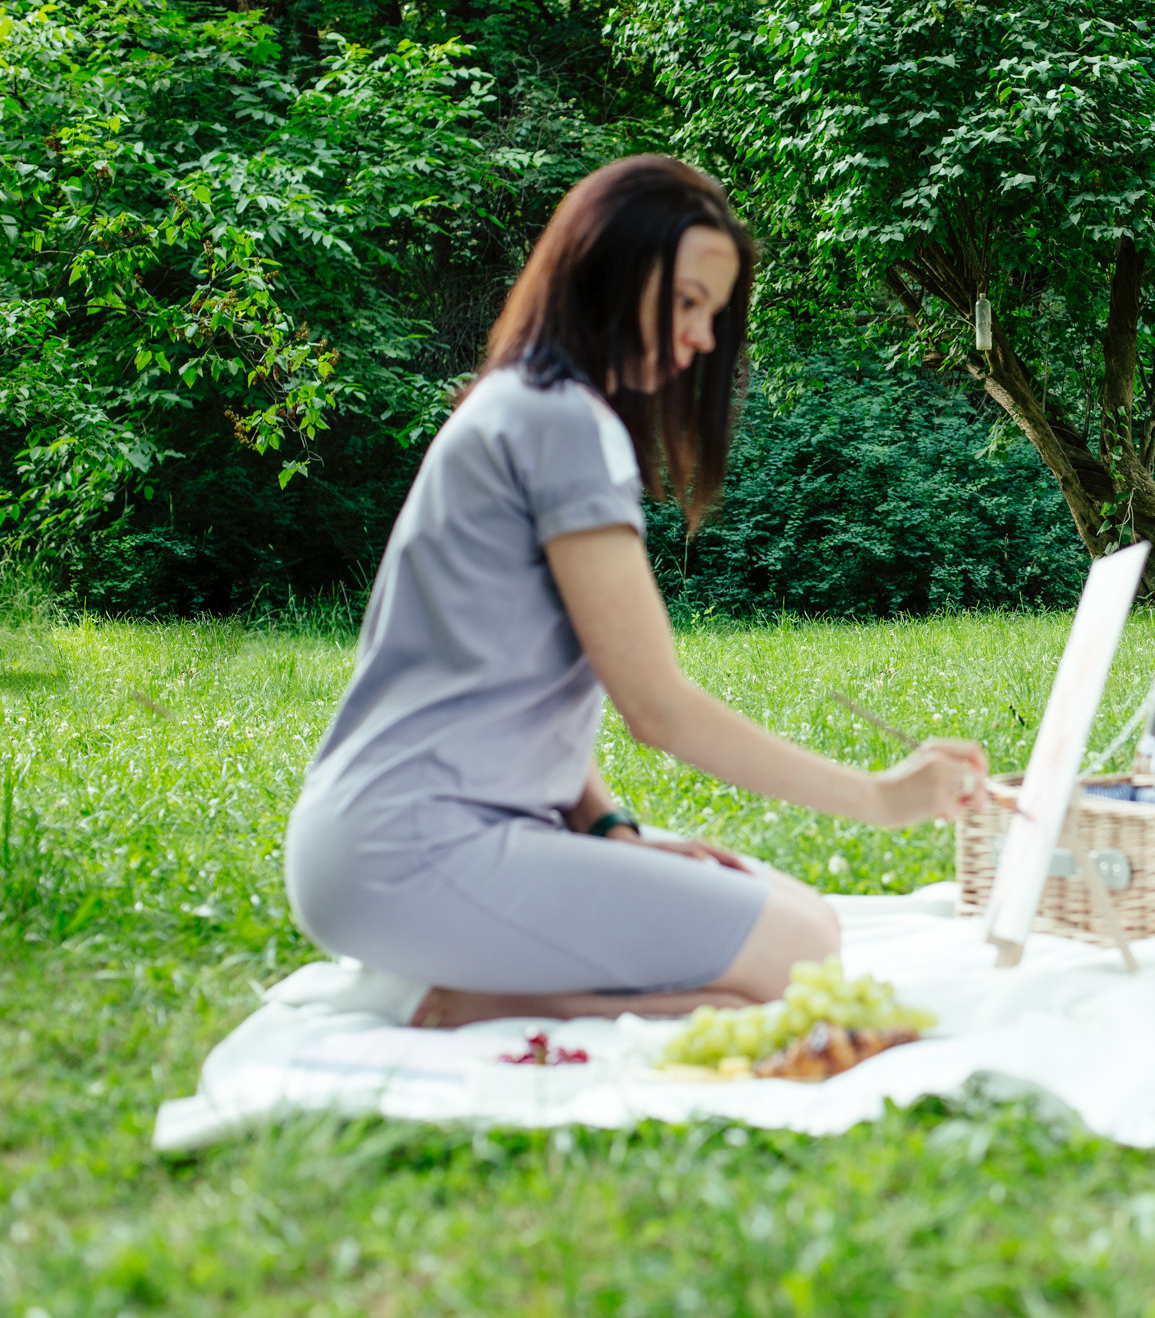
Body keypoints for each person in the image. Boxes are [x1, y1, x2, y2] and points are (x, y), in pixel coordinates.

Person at [284, 156, 988, 1028]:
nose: (701, 338)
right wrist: (883, 796)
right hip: (412, 851)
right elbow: (659, 709)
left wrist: (609, 826)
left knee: (796, 914)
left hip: (380, 843)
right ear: (610, 270)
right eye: (688, 302)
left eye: (713, 314)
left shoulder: (522, 405)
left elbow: (521, 672)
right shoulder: (563, 424)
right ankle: (464, 1004)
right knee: (801, 946)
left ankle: (475, 986)